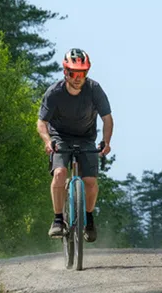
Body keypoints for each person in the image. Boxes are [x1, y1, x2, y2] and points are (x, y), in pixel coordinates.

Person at [37, 48, 113, 242]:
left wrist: (106, 141)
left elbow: (107, 119)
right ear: (65, 72)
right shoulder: (54, 93)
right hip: (60, 137)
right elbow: (41, 123)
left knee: (90, 182)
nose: (78, 78)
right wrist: (48, 142)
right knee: (60, 173)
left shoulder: (94, 89)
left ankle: (88, 219)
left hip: (86, 138)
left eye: (82, 73)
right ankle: (58, 220)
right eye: (73, 73)